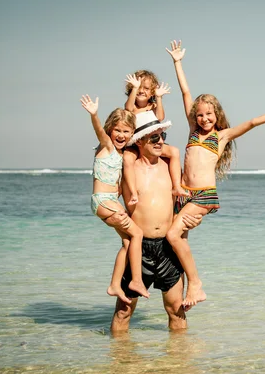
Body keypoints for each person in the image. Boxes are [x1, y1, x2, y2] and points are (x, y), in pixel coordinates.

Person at [164, 39, 265, 309]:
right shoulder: (193, 131)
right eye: (200, 114)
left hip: (203, 196)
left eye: (209, 114)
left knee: (172, 236)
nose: (204, 118)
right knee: (178, 241)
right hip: (184, 195)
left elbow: (251, 123)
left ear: (217, 115)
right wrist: (178, 62)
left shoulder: (221, 137)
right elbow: (185, 93)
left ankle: (196, 284)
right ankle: (186, 291)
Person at [110, 113, 203, 333]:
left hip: (168, 249)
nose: (161, 141)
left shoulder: (169, 167)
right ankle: (120, 363)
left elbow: (186, 202)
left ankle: (178, 363)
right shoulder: (127, 170)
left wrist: (193, 220)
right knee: (124, 311)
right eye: (154, 138)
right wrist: (116, 223)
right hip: (138, 248)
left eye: (163, 136)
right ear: (139, 141)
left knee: (176, 311)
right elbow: (105, 198)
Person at [80, 94, 150, 304]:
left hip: (109, 202)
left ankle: (114, 285)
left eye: (126, 132)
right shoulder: (107, 147)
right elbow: (99, 131)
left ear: (132, 134)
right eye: (117, 130)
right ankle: (136, 280)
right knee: (137, 233)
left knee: (128, 242)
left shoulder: (122, 156)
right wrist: (94, 115)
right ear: (110, 129)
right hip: (103, 200)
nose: (120, 135)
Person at [122, 70, 185, 204]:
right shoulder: (132, 106)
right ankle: (133, 192)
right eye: (139, 87)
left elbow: (160, 117)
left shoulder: (153, 105)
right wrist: (134, 88)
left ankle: (177, 186)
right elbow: (127, 109)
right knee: (127, 158)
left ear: (151, 92)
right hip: (136, 143)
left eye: (146, 88)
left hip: (151, 141)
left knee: (174, 152)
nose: (141, 90)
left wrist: (159, 97)